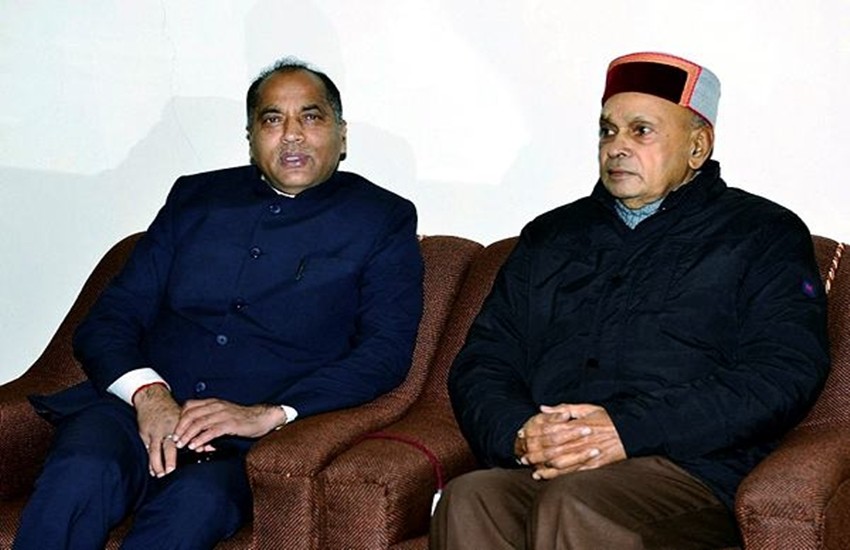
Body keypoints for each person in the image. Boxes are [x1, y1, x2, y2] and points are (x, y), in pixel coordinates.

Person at [14, 58, 423, 549]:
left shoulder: (381, 219)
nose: (292, 134)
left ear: (342, 134)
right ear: (252, 137)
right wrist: (149, 395)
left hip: (243, 443)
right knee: (79, 472)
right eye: (272, 119)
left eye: (311, 117)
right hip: (134, 416)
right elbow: (109, 320)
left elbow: (384, 353)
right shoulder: (196, 199)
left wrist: (268, 414)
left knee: (192, 508)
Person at [431, 52, 829, 549]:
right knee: (470, 497)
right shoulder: (551, 237)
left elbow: (783, 371)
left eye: (641, 131)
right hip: (553, 465)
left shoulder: (761, 233)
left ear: (697, 146)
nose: (617, 147)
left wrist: (626, 430)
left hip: (691, 468)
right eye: (607, 131)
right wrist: (520, 432)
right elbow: (485, 360)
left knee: (575, 502)